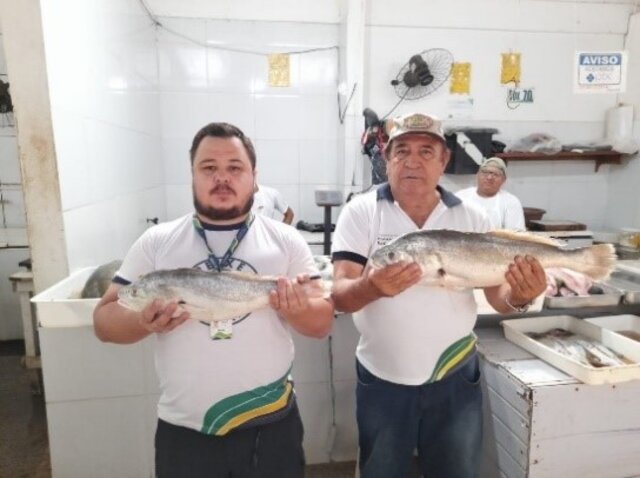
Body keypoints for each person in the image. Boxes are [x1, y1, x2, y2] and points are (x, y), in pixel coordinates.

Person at [93, 122, 334, 478]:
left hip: (270, 421)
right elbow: (104, 322)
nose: (222, 178)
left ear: (254, 177)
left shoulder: (286, 240)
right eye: (209, 168)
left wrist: (297, 310)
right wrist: (142, 322)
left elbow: (321, 323)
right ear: (192, 174)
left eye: (235, 168)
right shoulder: (156, 241)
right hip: (186, 430)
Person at [330, 113, 546, 478]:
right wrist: (371, 287)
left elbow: (499, 297)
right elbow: (339, 295)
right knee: (381, 470)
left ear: (444, 160)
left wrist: (521, 297)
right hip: (383, 374)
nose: (412, 161)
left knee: (455, 471)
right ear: (387, 158)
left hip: (455, 376)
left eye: (426, 151)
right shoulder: (361, 212)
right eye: (402, 151)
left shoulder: (472, 218)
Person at [456, 156, 525, 230]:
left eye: (495, 174)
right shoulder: (460, 197)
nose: (489, 177)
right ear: (477, 175)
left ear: (503, 180)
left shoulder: (511, 202)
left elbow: (515, 234)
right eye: (485, 172)